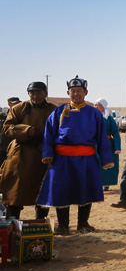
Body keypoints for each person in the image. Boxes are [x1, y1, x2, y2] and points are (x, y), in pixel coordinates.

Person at [38, 76, 113, 234]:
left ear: (85, 92)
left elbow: (102, 137)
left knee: (86, 189)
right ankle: (63, 226)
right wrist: (48, 154)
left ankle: (83, 224)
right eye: (73, 91)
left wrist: (106, 159)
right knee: (61, 190)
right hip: (62, 159)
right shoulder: (59, 111)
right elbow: (49, 134)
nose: (76, 94)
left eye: (79, 91)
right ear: (68, 92)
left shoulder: (94, 113)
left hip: (86, 159)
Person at [0, 82, 57, 219]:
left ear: (45, 94)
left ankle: (40, 222)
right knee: (15, 190)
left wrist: (48, 144)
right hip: (21, 154)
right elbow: (7, 127)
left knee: (42, 189)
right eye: (32, 93)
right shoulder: (19, 108)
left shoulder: (53, 110)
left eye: (39, 93)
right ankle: (13, 222)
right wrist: (25, 131)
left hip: (44, 154)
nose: (36, 96)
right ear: (28, 94)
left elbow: (60, 130)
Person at [94, 98, 121, 191]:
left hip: (107, 145)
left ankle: (106, 183)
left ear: (103, 107)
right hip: (94, 144)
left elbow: (116, 132)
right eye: (95, 104)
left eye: (98, 105)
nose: (95, 106)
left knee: (107, 164)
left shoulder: (109, 118)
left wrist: (117, 147)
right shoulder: (91, 118)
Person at [0, 97, 22, 167]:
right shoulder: (2, 117)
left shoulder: (21, 117)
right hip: (2, 147)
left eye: (18, 104)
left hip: (15, 147)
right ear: (9, 104)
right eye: (14, 104)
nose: (16, 106)